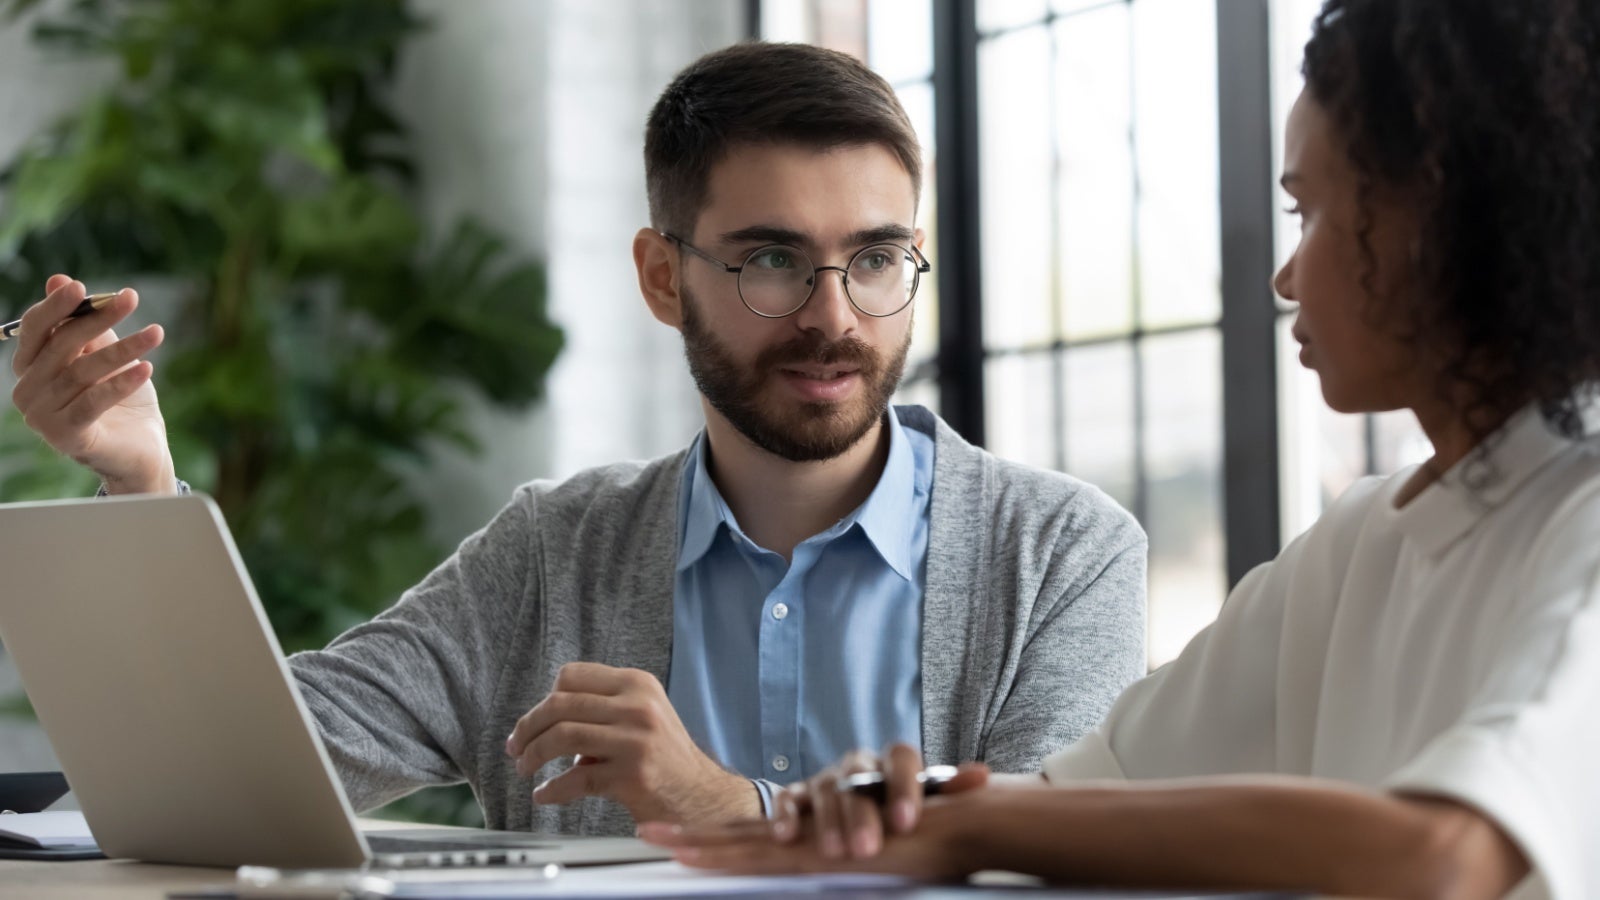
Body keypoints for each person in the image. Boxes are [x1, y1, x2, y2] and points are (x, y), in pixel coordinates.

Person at [4, 42, 1147, 836]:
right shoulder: (553, 552)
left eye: (877, 258)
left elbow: (1055, 855)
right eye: (770, 260)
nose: (834, 316)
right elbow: (237, 770)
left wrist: (726, 807)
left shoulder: (1061, 554)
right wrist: (142, 479)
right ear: (662, 276)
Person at [640, 1, 1600, 896]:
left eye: (1307, 212)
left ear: (1441, 218)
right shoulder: (1359, 546)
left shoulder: (1582, 517)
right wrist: (900, 801)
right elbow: (1073, 796)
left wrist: (964, 831)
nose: (1284, 273)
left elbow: (1442, 853)